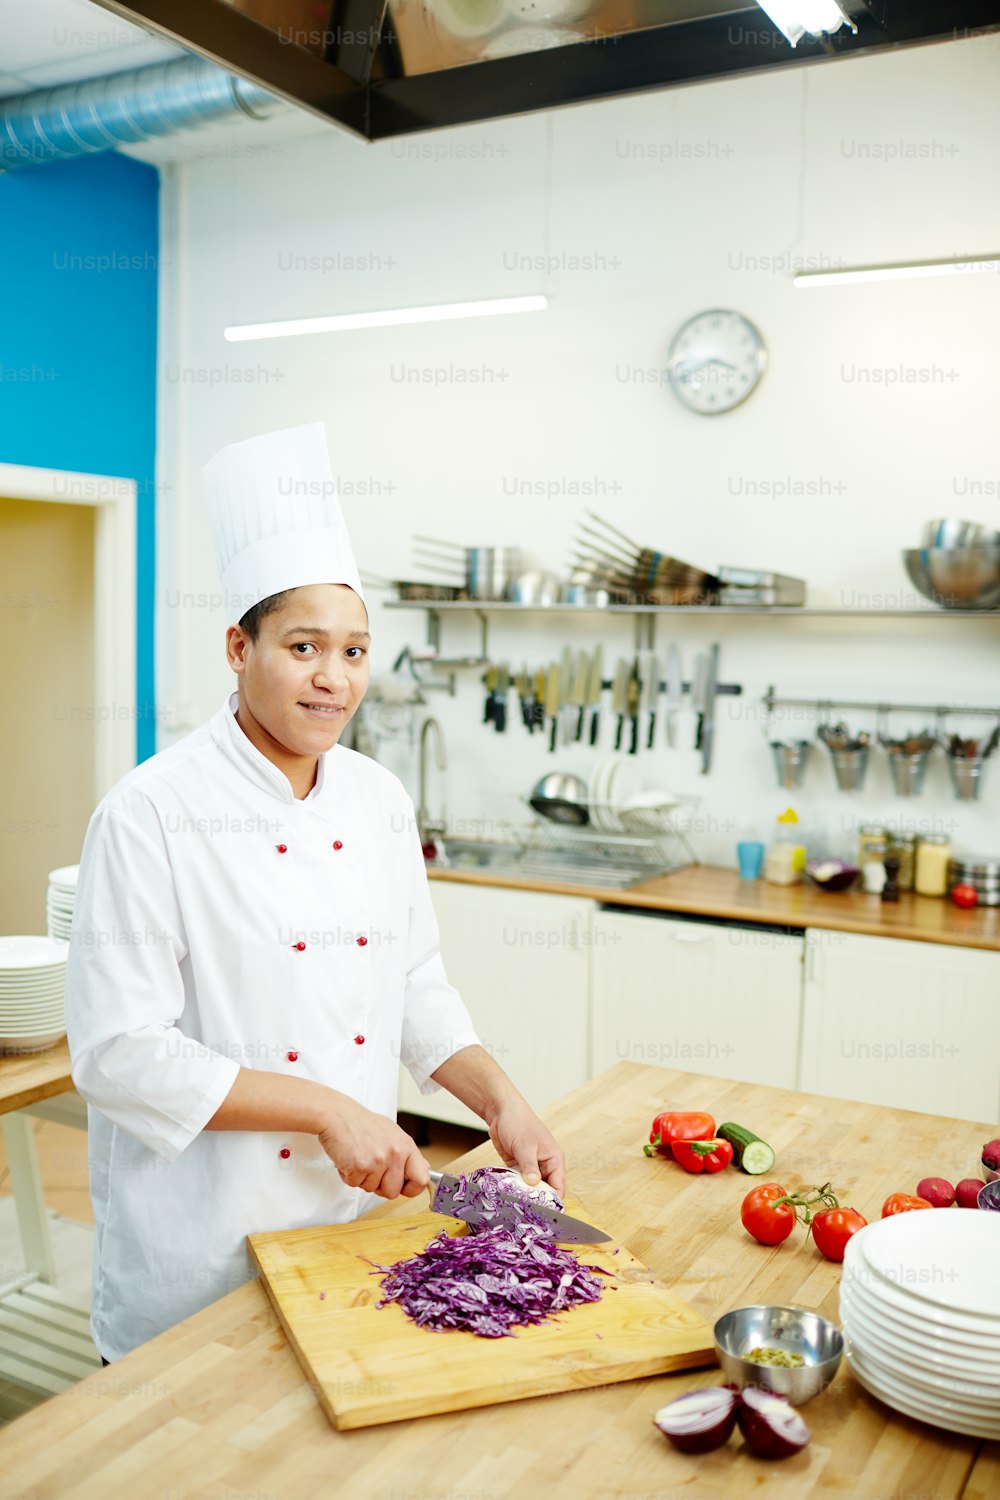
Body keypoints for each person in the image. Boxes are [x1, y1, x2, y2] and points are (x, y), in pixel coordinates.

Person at [66, 422, 565, 1363]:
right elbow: (117, 1054)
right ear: (237, 646)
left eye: (354, 651)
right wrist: (330, 1110)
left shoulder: (377, 797)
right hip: (200, 1248)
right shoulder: (151, 813)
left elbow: (414, 980)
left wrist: (500, 1104)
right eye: (303, 646)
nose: (334, 679)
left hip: (352, 1227)